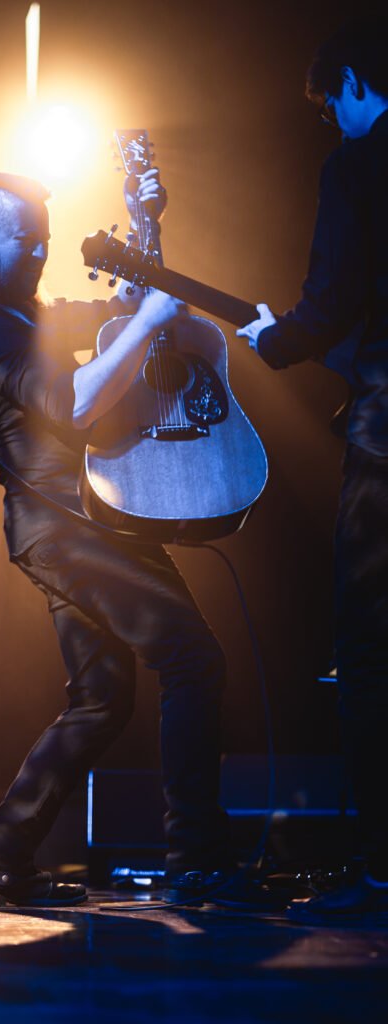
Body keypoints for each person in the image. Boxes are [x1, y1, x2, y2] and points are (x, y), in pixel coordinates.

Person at [0, 166, 282, 911]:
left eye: (45, 240)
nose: (40, 254)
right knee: (193, 660)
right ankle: (197, 859)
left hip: (85, 522)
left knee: (101, 700)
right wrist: (148, 322)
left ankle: (0, 859)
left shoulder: (24, 312)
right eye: (25, 240)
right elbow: (74, 405)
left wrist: (143, 224)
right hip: (65, 529)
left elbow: (125, 307)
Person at [237, 17, 388, 920]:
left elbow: (328, 304)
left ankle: (382, 869)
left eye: (332, 104)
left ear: (354, 84)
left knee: (366, 652)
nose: (333, 121)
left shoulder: (357, 165)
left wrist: (277, 339)